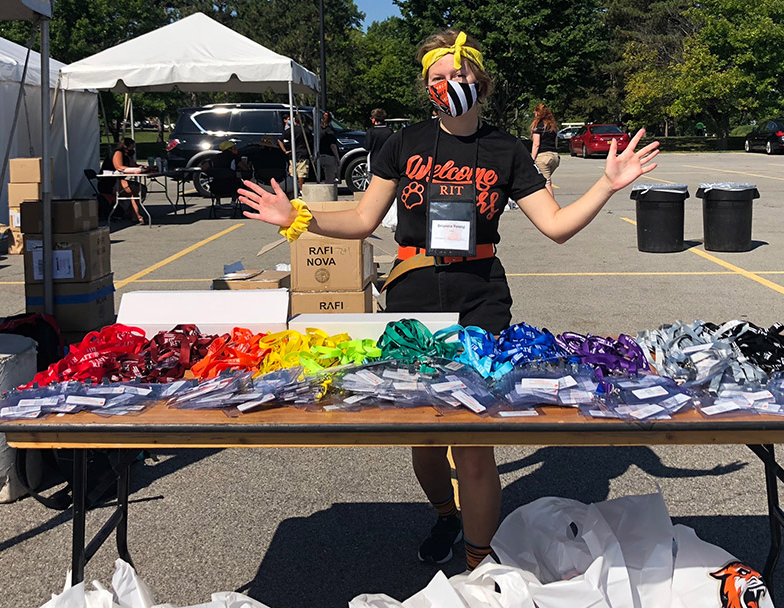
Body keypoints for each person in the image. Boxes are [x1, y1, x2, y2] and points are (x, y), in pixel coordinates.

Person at [238, 29, 659, 570]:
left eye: (457, 75)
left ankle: (478, 566)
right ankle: (444, 514)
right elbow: (364, 219)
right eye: (437, 77)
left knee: (473, 438)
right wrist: (299, 217)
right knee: (427, 432)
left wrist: (606, 185)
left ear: (478, 81)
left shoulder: (506, 149)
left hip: (480, 296)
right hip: (414, 291)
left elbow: (555, 226)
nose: (447, 84)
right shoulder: (403, 142)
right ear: (426, 86)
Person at [99, 138, 147, 224]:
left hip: (118, 181)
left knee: (142, 189)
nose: (133, 150)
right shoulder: (118, 153)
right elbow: (119, 167)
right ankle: (136, 215)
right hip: (109, 182)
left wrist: (145, 168)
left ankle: (130, 212)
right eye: (131, 147)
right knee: (135, 189)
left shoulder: (127, 156)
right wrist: (134, 169)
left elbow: (134, 165)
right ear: (126, 146)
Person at [277, 113, 314, 194]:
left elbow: (280, 140)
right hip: (303, 154)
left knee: (292, 174)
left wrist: (284, 150)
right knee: (302, 173)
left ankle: (294, 190)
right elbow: (311, 142)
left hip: (292, 154)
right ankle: (301, 190)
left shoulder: (291, 130)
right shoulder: (306, 131)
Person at [530, 103, 560, 197]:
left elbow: (536, 144)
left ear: (539, 113)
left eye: (536, 111)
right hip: (555, 157)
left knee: (546, 183)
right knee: (543, 180)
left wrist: (532, 159)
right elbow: (556, 142)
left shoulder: (538, 126)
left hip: (543, 157)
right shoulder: (553, 126)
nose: (534, 113)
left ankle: (551, 206)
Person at [317, 112, 341, 184]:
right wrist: (337, 158)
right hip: (329, 156)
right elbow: (332, 145)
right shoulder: (329, 131)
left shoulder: (318, 130)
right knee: (330, 178)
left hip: (320, 155)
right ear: (330, 121)